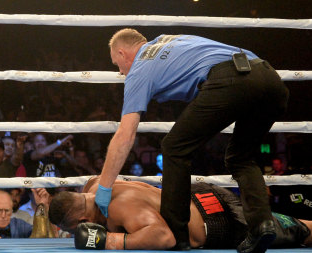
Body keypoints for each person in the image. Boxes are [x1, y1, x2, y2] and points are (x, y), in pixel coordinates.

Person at [93, 29, 289, 252]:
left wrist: (105, 186)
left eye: (117, 64)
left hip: (229, 81)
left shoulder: (139, 69)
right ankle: (262, 226)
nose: (120, 72)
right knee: (241, 157)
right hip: (270, 78)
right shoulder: (171, 40)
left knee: (174, 147)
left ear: (123, 52)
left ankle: (177, 236)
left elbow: (125, 135)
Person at [48, 177, 312, 250]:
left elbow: (164, 237)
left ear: (83, 221)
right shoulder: (94, 185)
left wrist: (110, 241)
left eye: (76, 229)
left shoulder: (120, 207)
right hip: (197, 197)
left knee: (300, 230)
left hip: (218, 220)